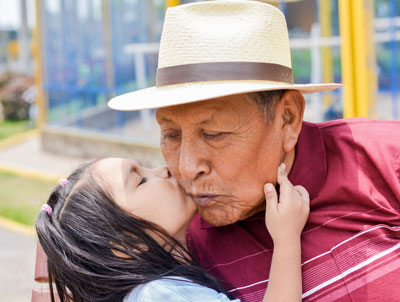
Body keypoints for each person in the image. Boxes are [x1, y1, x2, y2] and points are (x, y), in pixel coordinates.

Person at [108, 1, 400, 301]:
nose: (186, 168)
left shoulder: (384, 160)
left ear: (287, 118)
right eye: (170, 134)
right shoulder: (180, 244)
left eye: (213, 133)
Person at [36, 158, 309, 302]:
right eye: (141, 180)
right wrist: (286, 238)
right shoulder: (162, 295)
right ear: (125, 245)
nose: (164, 170)